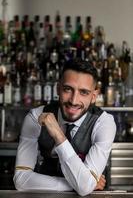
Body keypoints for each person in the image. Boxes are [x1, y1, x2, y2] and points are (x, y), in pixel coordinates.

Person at [13, 58, 116, 196]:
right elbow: (21, 179)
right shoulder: (35, 117)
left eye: (83, 92)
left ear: (94, 96)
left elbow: (85, 189)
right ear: (58, 88)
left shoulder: (104, 123)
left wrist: (58, 134)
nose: (73, 101)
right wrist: (80, 183)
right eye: (68, 89)